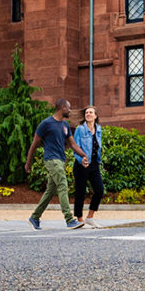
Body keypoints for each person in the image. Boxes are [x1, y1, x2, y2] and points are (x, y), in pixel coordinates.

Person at [24, 99, 88, 230]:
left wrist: (84, 155)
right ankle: (69, 220)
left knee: (50, 191)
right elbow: (34, 144)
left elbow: (73, 144)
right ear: (62, 108)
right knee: (63, 185)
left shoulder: (65, 126)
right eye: (68, 108)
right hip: (51, 160)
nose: (70, 110)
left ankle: (34, 217)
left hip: (60, 160)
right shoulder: (46, 124)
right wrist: (28, 162)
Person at [72, 105, 105, 228]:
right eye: (86, 113)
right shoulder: (80, 129)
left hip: (94, 164)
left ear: (96, 116)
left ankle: (90, 217)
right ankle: (80, 220)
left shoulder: (99, 129)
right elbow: (75, 147)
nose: (88, 114)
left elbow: (98, 146)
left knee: (99, 190)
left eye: (91, 112)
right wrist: (82, 160)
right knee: (80, 191)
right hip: (81, 164)